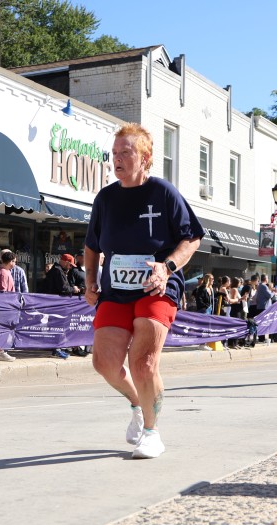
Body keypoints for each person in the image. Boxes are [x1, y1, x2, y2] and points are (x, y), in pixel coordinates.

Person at [83, 122, 204, 460]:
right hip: (116, 290)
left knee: (143, 363)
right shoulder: (106, 198)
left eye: (126, 152)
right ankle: (138, 403)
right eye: (114, 153)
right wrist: (90, 279)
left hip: (156, 286)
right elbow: (92, 245)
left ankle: (152, 433)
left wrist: (168, 267)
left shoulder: (163, 192)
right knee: (104, 363)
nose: (117, 159)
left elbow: (192, 237)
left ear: (145, 158)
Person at [0, 250, 17, 362]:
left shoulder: (5, 271)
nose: (15, 264)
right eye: (14, 261)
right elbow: (2, 291)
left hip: (6, 305)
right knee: (3, 329)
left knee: (2, 329)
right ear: (10, 261)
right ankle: (0, 352)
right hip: (4, 306)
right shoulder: (3, 272)